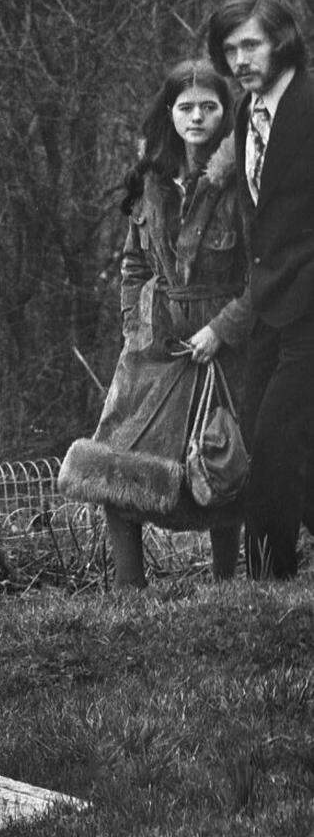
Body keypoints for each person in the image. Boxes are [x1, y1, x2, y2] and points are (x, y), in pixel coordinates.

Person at [58, 60, 251, 585]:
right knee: (114, 463)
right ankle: (128, 589)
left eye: (208, 107)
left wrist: (223, 330)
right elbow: (134, 264)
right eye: (185, 107)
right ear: (170, 112)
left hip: (222, 345)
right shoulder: (151, 178)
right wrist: (133, 325)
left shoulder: (245, 178)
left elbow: (265, 273)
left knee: (220, 458)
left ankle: (227, 584)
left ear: (224, 113)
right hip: (151, 348)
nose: (196, 118)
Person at [205, 0, 314, 580]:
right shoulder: (248, 111)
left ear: (282, 41)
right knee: (262, 436)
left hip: (310, 304)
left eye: (251, 45)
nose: (239, 60)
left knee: (275, 441)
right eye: (230, 49)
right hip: (272, 301)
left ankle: (268, 585)